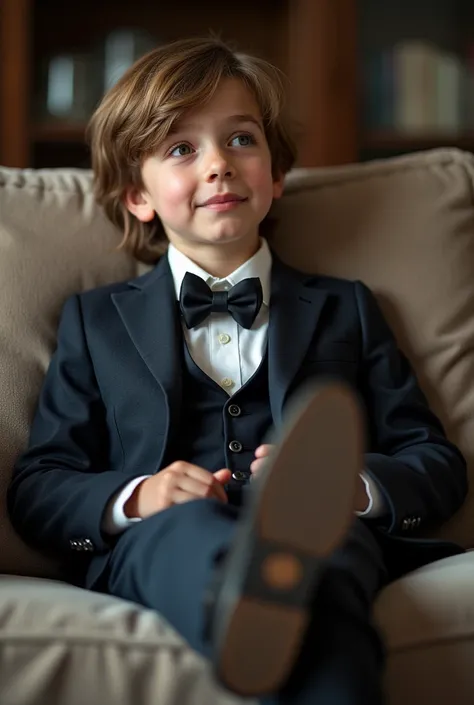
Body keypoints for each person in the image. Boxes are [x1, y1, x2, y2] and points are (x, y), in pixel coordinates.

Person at [7, 37, 468, 705]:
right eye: (181, 149)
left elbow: (434, 460)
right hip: (166, 538)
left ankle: (267, 617)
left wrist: (348, 487)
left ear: (276, 176)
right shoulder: (94, 321)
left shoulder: (348, 308)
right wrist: (140, 496)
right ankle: (245, 606)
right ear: (138, 194)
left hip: (329, 537)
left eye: (242, 139)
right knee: (202, 541)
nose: (220, 164)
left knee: (326, 561)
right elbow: (40, 483)